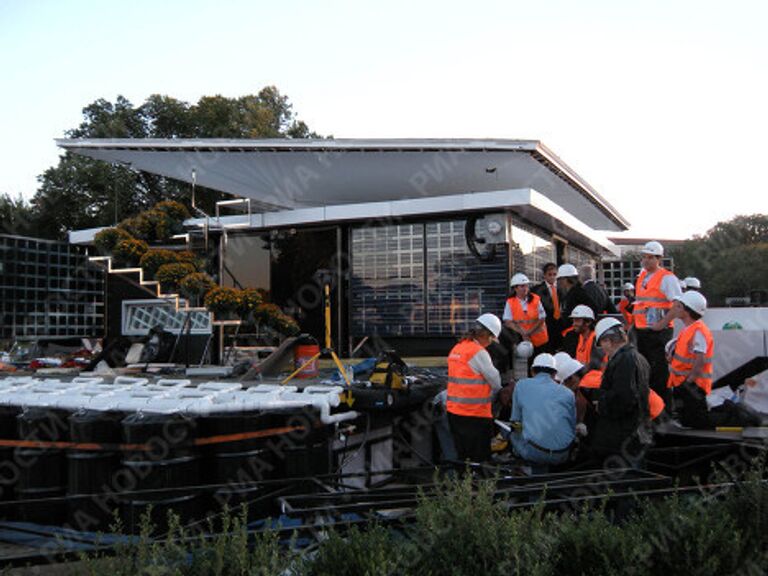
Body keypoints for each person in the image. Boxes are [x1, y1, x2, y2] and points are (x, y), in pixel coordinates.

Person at [590, 318, 652, 466]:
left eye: (602, 344)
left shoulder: (624, 360)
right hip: (636, 432)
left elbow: (624, 397)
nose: (603, 350)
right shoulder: (639, 358)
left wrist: (601, 404)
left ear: (608, 340)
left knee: (622, 483)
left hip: (622, 435)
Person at [446, 313, 503, 462]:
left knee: (462, 456)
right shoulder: (478, 353)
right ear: (486, 334)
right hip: (475, 415)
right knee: (479, 459)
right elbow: (496, 382)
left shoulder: (457, 348)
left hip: (454, 412)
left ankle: (462, 483)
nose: (491, 343)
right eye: (492, 339)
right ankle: (478, 485)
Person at [632, 241, 682, 404]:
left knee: (659, 375)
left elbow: (678, 306)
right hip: (643, 332)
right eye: (644, 257)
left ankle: (663, 413)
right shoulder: (642, 277)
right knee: (647, 373)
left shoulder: (667, 278)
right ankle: (652, 411)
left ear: (658, 258)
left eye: (650, 257)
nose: (646, 261)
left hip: (659, 333)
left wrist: (661, 324)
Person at [507, 353, 576, 466]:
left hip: (534, 452)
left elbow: (515, 420)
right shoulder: (568, 393)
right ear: (554, 374)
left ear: (532, 371)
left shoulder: (521, 385)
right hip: (563, 453)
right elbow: (571, 425)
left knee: (509, 433)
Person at [666, 291, 713, 428]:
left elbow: (701, 359)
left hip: (692, 385)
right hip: (685, 383)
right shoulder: (690, 329)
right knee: (688, 419)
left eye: (679, 306)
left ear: (687, 310)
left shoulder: (697, 330)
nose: (676, 309)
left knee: (696, 421)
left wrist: (689, 382)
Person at [503, 273, 549, 355]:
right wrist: (522, 332)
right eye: (522, 286)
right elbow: (508, 321)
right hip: (522, 340)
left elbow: (542, 318)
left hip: (539, 340)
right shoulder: (510, 302)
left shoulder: (535, 299)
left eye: (526, 286)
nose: (525, 288)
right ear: (515, 288)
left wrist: (528, 332)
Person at [532, 262, 562, 352]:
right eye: (550, 274)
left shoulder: (562, 289)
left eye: (554, 274)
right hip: (545, 326)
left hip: (559, 326)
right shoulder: (536, 290)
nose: (552, 277)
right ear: (544, 275)